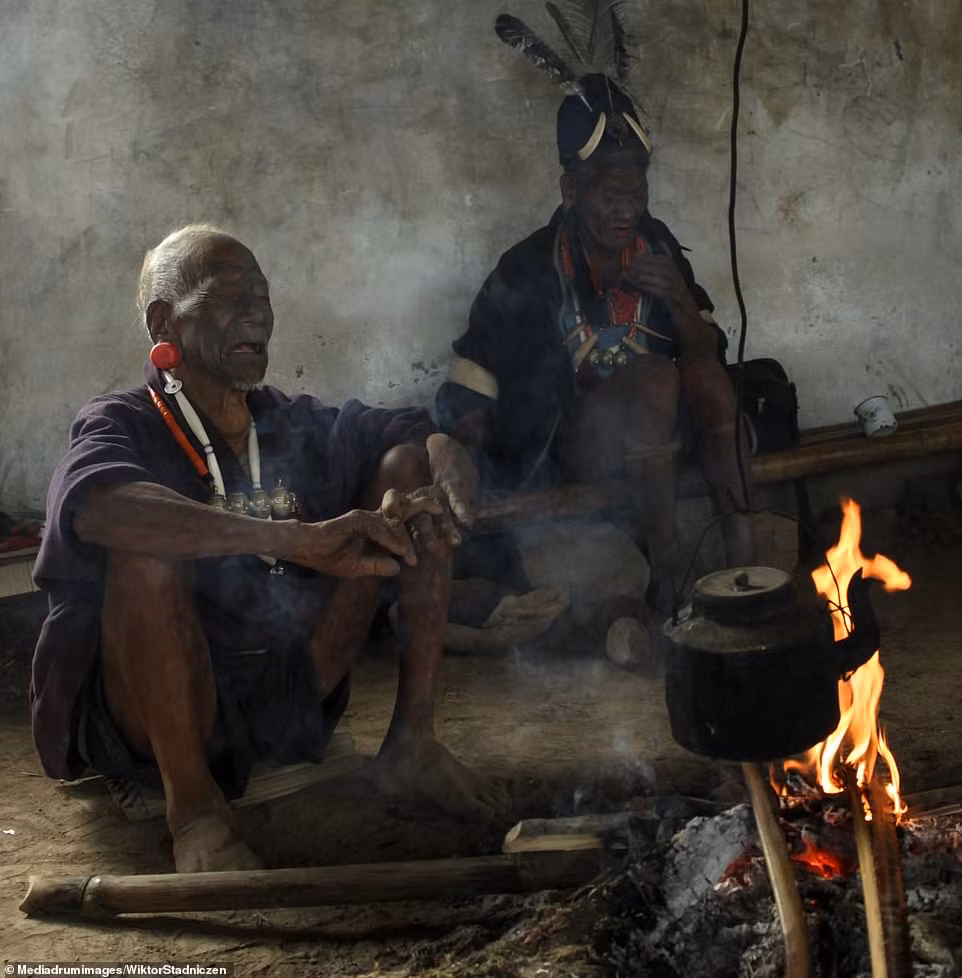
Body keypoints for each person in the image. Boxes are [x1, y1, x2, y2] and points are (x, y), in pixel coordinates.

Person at [31, 225, 507, 873]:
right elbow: (99, 508)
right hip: (167, 708)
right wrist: (296, 540)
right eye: (229, 294)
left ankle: (411, 744)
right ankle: (194, 811)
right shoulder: (121, 422)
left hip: (288, 694)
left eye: (261, 294)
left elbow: (398, 428)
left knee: (405, 470)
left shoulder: (289, 421)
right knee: (144, 547)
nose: (256, 310)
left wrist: (441, 448)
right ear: (164, 322)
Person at [436, 74, 753, 653]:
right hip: (574, 449)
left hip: (660, 445)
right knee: (655, 375)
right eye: (611, 194)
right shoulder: (527, 269)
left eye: (637, 194)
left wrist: (680, 301)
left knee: (699, 376)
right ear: (571, 190)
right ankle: (669, 576)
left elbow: (709, 358)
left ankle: (747, 562)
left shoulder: (655, 244)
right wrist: (461, 451)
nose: (626, 210)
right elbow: (469, 381)